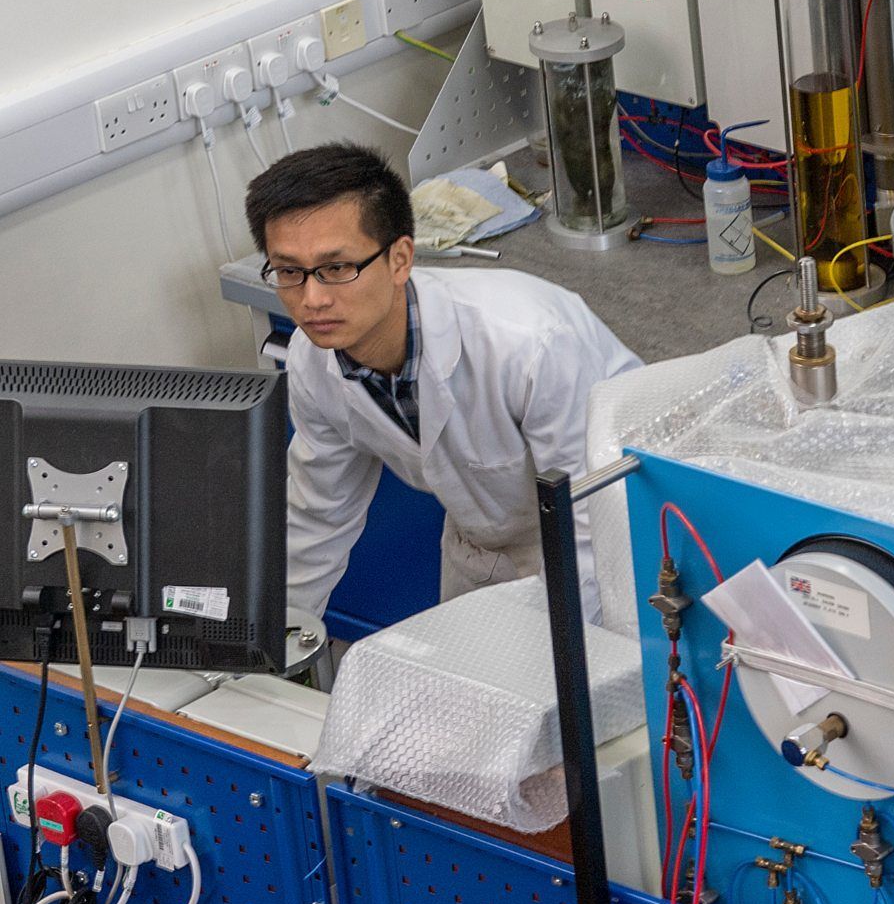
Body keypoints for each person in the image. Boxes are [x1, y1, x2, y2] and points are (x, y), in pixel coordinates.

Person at [248, 142, 641, 624]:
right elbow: (318, 517)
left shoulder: (529, 343)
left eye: (337, 269)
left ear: (400, 259)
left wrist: (568, 668)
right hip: (481, 546)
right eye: (289, 272)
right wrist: (262, 641)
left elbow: (593, 528)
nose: (312, 299)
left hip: (616, 543)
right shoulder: (314, 363)